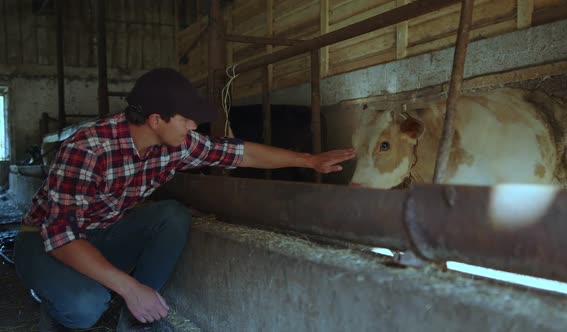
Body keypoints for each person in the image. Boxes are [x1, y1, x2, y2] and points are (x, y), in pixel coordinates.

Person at [13, 68, 355, 331]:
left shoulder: (176, 144)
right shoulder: (87, 149)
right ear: (156, 120)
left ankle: (134, 322)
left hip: (102, 233)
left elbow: (239, 153)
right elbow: (63, 237)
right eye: (186, 118)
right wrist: (130, 288)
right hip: (45, 242)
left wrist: (309, 161)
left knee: (172, 215)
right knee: (85, 307)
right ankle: (58, 300)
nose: (194, 125)